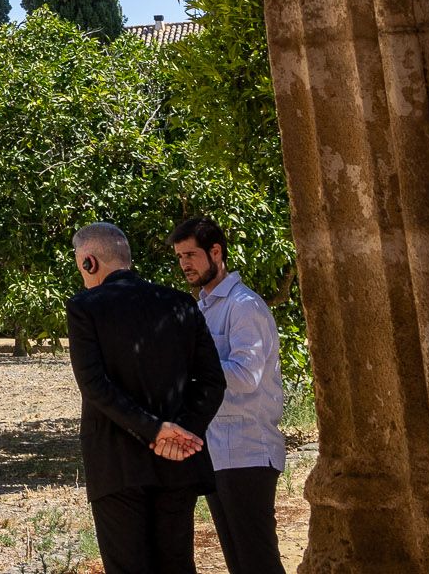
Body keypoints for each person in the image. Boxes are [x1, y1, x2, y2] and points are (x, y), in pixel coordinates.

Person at [65, 220, 226, 574]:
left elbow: (94, 385)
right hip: (177, 463)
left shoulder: (84, 307)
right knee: (177, 564)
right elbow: (213, 381)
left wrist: (155, 431)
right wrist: (183, 433)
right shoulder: (181, 303)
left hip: (116, 464)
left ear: (89, 262)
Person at [173, 217, 288, 574]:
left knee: (258, 562)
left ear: (216, 251)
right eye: (179, 257)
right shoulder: (204, 307)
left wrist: (192, 365)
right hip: (217, 454)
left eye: (191, 254)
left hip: (248, 452)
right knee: (240, 564)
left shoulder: (244, 306)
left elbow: (247, 376)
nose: (185, 264)